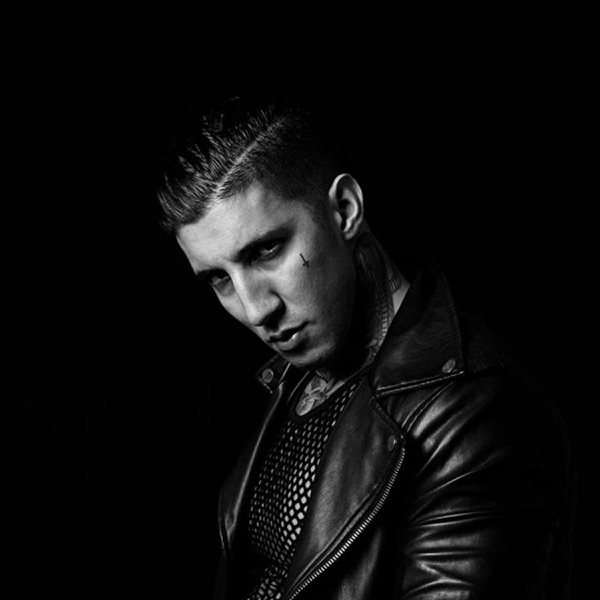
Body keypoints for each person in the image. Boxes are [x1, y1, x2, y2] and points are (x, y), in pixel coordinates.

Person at [154, 94, 576, 599]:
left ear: (345, 210)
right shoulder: (297, 381)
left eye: (267, 250)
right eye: (219, 279)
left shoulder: (481, 414)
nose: (255, 308)